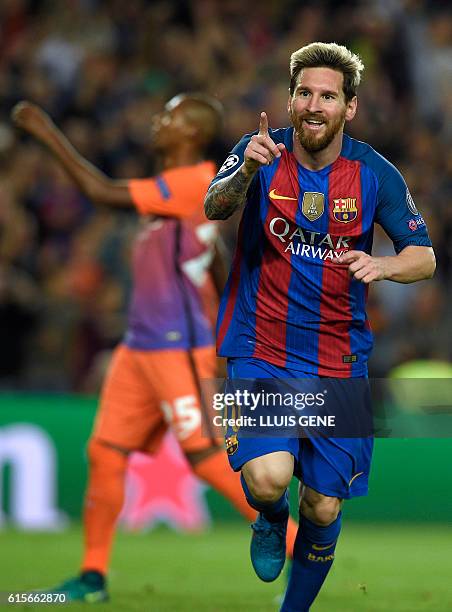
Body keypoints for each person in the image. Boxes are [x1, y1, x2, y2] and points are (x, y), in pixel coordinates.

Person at [11, 94, 298, 602]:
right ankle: (94, 576)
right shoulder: (182, 191)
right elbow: (215, 256)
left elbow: (100, 192)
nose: (156, 122)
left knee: (209, 456)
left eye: (170, 116)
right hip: (138, 347)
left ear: (190, 131)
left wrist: (46, 131)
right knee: (104, 452)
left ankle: (299, 552)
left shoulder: (194, 180)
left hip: (177, 347)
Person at [204, 42, 435, 611]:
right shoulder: (261, 150)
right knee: (267, 480)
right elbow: (214, 206)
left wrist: (382, 264)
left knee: (325, 507)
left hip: (338, 357)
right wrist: (244, 176)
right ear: (290, 99)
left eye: (328, 96)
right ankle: (268, 516)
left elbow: (424, 256)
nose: (314, 104)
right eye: (304, 93)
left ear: (348, 108)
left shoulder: (373, 172)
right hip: (262, 348)